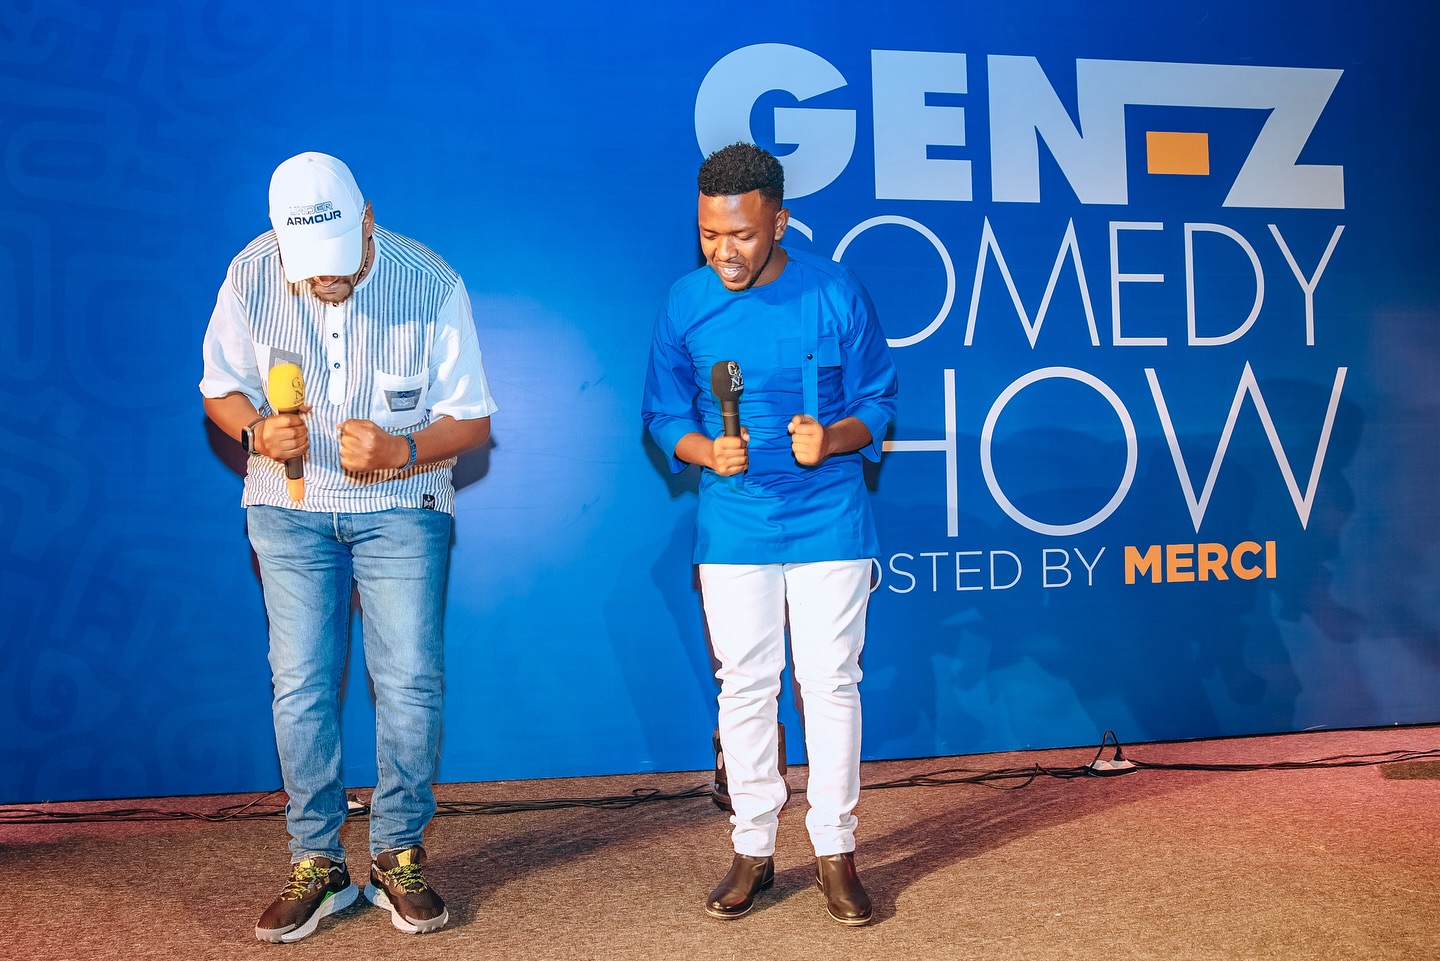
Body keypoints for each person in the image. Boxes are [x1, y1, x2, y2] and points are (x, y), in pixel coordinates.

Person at [199, 152, 496, 942]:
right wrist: (255, 431)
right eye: (311, 266)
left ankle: (397, 853)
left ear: (367, 221)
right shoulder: (250, 274)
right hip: (287, 508)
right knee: (298, 684)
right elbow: (219, 387)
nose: (327, 279)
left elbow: (473, 420)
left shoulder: (431, 281)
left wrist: (403, 450)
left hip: (401, 504)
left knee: (409, 683)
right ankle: (318, 862)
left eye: (339, 259)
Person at [641, 143, 898, 925]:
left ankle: (835, 850)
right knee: (746, 684)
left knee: (830, 681)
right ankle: (752, 847)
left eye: (743, 235)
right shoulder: (685, 302)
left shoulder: (836, 290)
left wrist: (835, 437)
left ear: (780, 223)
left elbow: (879, 400)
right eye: (709, 234)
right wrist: (702, 450)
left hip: (830, 516)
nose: (724, 251)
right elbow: (664, 413)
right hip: (734, 519)